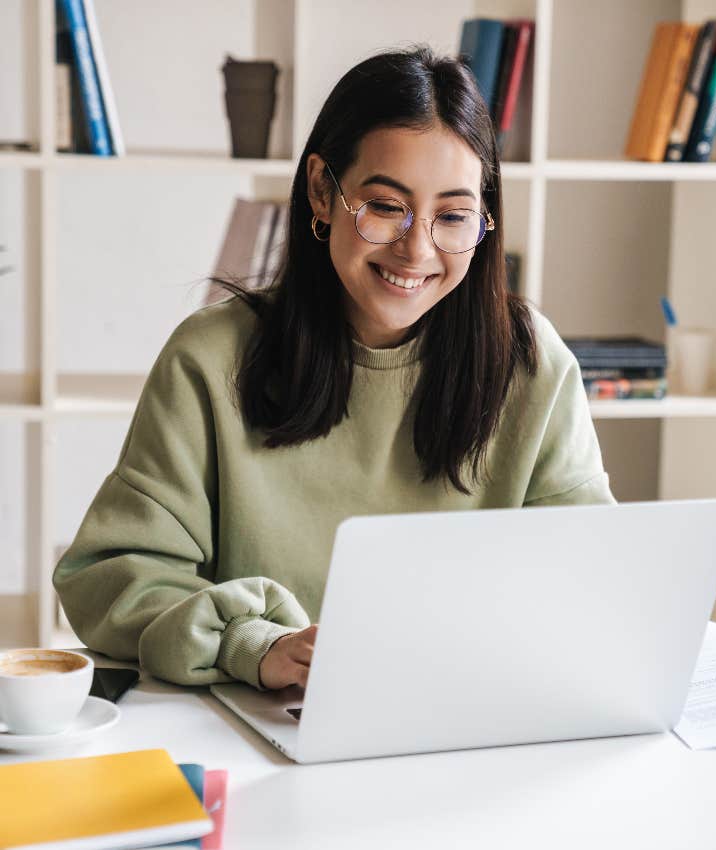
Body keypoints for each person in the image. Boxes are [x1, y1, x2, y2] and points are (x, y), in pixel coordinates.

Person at [54, 46, 614, 693]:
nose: (417, 248)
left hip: (471, 716)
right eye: (384, 205)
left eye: (453, 216)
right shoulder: (210, 360)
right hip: (264, 723)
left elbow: (590, 579)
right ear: (323, 191)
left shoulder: (531, 366)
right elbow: (111, 574)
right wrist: (250, 643)